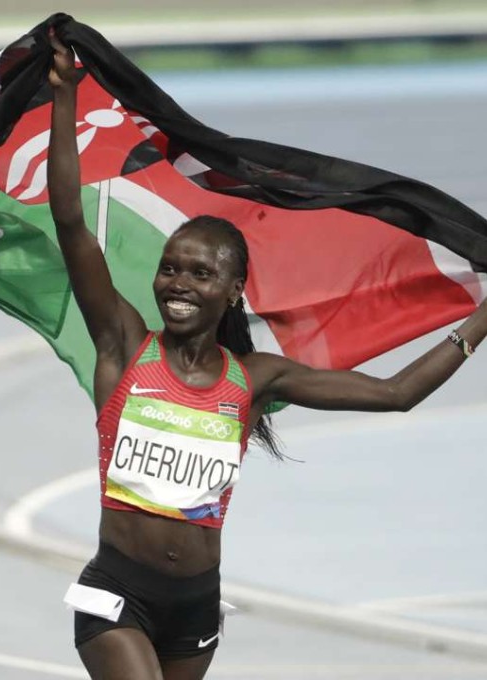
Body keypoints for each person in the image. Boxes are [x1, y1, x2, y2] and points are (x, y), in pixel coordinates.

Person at [46, 35, 487, 680]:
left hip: (195, 607)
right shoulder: (123, 344)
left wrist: (482, 319)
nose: (177, 284)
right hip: (118, 594)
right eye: (170, 269)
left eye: (199, 274)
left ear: (232, 292)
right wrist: (62, 99)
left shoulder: (254, 380)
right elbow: (69, 222)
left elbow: (397, 394)